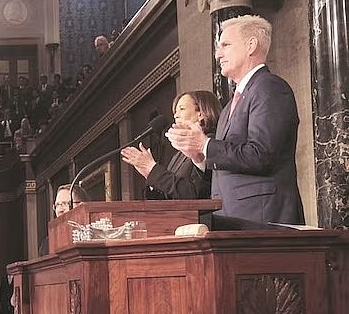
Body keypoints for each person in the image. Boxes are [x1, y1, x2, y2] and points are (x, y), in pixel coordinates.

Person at [166, 15, 304, 225]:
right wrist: (199, 156)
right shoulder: (231, 104)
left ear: (251, 45)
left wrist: (205, 144)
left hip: (263, 220)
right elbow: (223, 169)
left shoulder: (270, 88)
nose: (218, 54)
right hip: (230, 220)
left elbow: (261, 154)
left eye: (225, 45)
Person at [122, 91, 221, 199]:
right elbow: (168, 198)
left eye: (181, 109)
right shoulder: (178, 155)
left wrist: (152, 169)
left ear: (201, 113)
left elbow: (194, 193)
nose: (175, 115)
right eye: (175, 111)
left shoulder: (212, 144)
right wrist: (149, 174)